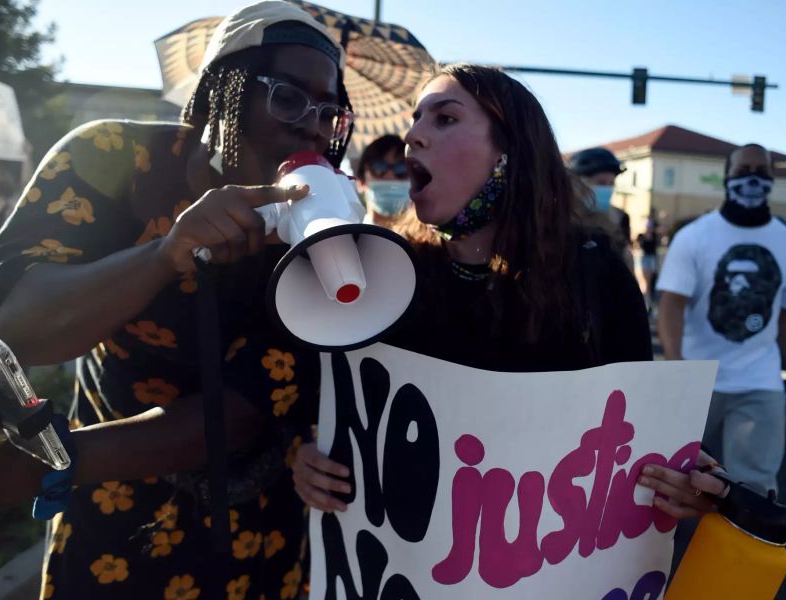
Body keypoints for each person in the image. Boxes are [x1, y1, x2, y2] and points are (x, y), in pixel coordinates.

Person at [0, 2, 355, 598]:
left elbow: (246, 405)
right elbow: (20, 322)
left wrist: (42, 462)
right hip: (114, 518)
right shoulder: (111, 158)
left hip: (256, 532)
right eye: (290, 98)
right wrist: (166, 253)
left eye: (331, 114)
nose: (313, 128)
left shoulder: (315, 230)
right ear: (223, 90)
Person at [291, 64, 728, 524]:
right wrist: (306, 457)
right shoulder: (387, 271)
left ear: (510, 149)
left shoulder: (594, 271)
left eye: (445, 118)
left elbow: (641, 420)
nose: (413, 135)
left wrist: (688, 475)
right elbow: (343, 410)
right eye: (415, 119)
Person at [657, 143, 786, 495]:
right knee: (671, 479)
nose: (752, 179)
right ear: (726, 177)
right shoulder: (694, 237)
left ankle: (738, 550)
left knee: (754, 491)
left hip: (760, 382)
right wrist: (675, 368)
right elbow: (672, 304)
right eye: (743, 171)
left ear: (773, 179)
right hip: (698, 379)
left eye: (762, 171)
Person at [569, 146, 634, 271]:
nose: (607, 189)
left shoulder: (619, 219)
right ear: (576, 184)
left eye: (611, 184)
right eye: (601, 183)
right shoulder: (558, 220)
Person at [354, 134, 412, 226]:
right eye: (379, 167)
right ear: (361, 181)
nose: (390, 177)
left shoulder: (433, 239)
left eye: (401, 168)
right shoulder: (347, 237)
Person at [637, 215, 661, 313]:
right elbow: (639, 244)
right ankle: (647, 302)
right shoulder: (642, 236)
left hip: (651, 259)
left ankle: (649, 303)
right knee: (645, 282)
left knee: (649, 283)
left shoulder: (654, 237)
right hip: (645, 259)